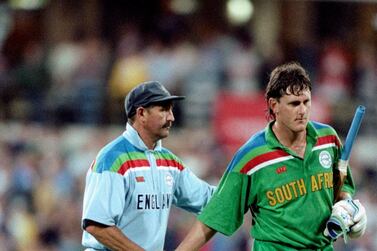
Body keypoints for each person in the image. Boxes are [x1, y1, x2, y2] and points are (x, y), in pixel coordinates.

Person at [176, 62, 367, 251]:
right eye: (294, 104)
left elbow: (341, 189)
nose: (302, 111)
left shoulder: (328, 139)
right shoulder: (251, 156)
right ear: (273, 105)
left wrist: (349, 211)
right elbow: (215, 217)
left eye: (306, 102)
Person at [81, 81, 215, 251]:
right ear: (142, 113)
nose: (171, 117)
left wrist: (246, 186)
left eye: (171, 110)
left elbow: (210, 199)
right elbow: (97, 225)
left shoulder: (170, 162)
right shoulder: (112, 159)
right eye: (164, 109)